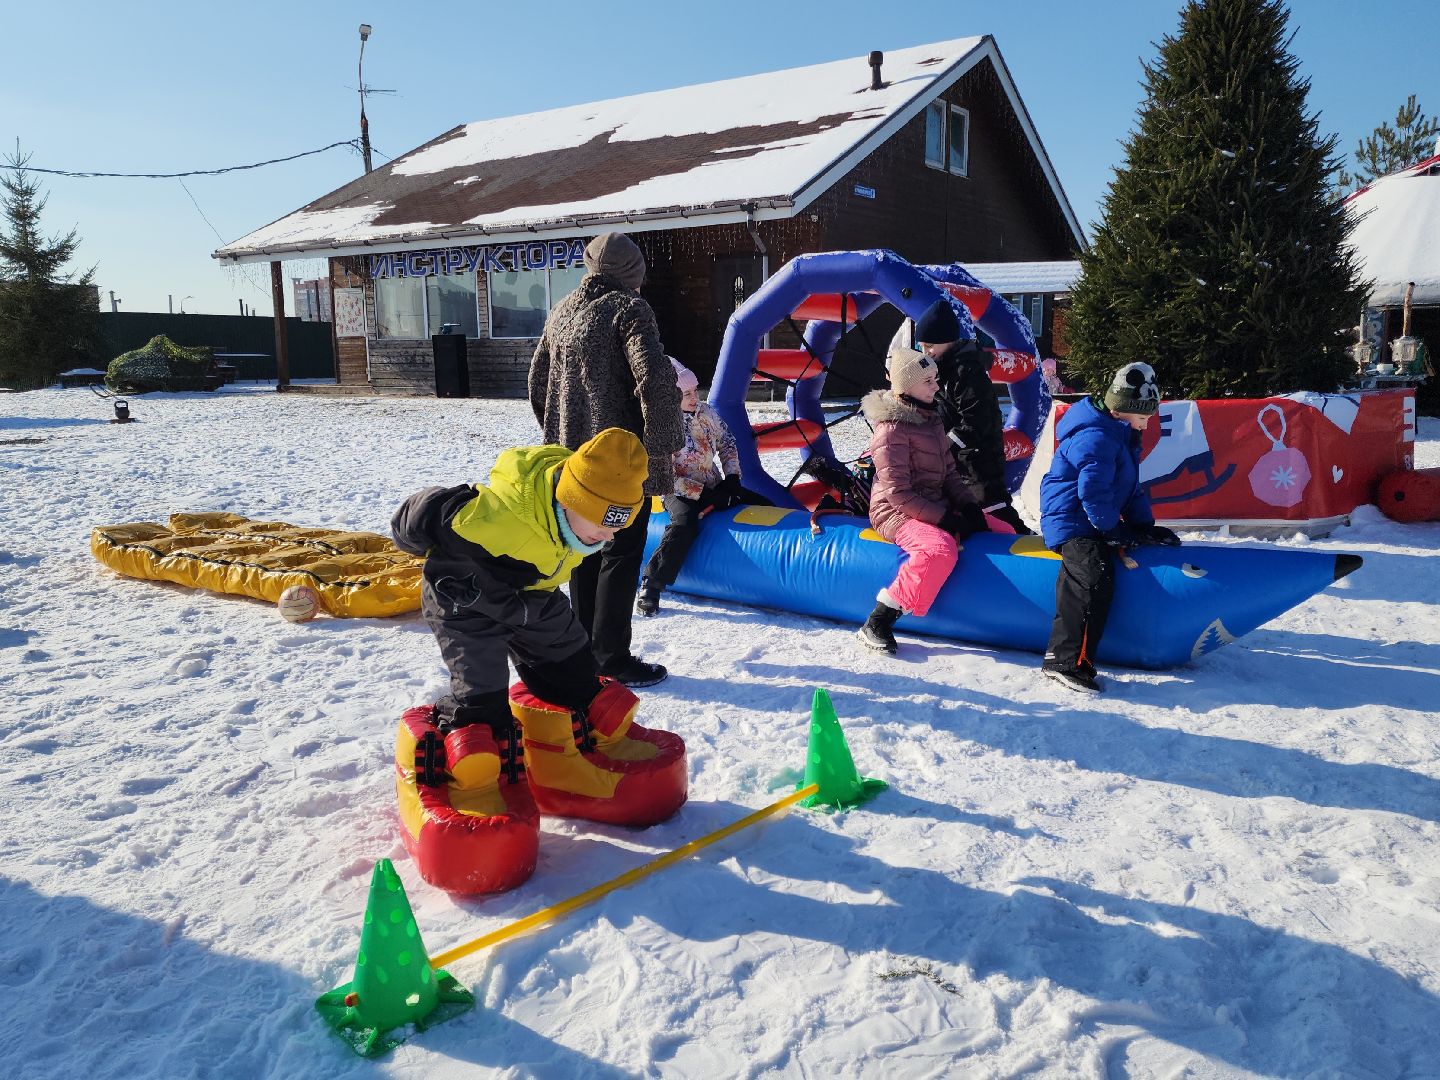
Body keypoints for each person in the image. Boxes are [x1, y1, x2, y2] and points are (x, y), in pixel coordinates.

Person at [391, 427, 651, 737]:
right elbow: (423, 514)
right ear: (570, 501)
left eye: (616, 528)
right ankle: (473, 733)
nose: (608, 536)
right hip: (467, 600)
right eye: (602, 525)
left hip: (533, 598)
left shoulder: (579, 527)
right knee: (481, 686)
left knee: (573, 660)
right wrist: (415, 528)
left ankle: (583, 699)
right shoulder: (501, 514)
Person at [529, 232, 682, 687]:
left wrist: (558, 433)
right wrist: (660, 451)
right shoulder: (629, 309)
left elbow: (538, 382)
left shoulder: (562, 312)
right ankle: (610, 656)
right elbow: (655, 380)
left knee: (583, 548)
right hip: (620, 463)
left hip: (571, 461)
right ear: (632, 273)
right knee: (621, 549)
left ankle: (582, 648)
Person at [1038, 362, 1180, 694]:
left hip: (1092, 516)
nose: (1149, 423)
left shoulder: (1122, 434)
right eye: (1145, 415)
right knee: (1092, 575)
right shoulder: (1096, 437)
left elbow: (1129, 490)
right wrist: (1110, 529)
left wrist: (1144, 526)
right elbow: (1093, 492)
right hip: (1072, 519)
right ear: (1125, 409)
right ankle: (1063, 660)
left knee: (1106, 564)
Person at [857, 345, 988, 655]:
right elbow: (898, 493)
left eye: (935, 379)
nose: (937, 386)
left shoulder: (931, 421)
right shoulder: (890, 432)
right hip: (894, 511)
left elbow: (950, 475)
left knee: (1001, 530)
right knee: (938, 549)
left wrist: (969, 506)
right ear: (906, 386)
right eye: (928, 381)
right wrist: (944, 519)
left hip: (930, 502)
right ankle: (879, 620)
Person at [637, 358, 771, 617]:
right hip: (676, 490)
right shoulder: (661, 426)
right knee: (685, 523)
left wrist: (732, 478)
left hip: (715, 483)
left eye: (695, 390)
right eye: (685, 393)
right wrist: (703, 494)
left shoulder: (706, 412)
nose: (693, 397)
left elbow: (727, 442)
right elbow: (662, 472)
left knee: (763, 504)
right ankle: (652, 584)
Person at [913, 298, 1032, 534]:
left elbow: (976, 420)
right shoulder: (943, 369)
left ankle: (1025, 544)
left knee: (992, 507)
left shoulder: (967, 371)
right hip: (958, 458)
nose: (926, 352)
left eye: (930, 346)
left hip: (979, 457)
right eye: (923, 347)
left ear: (947, 340)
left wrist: (945, 444)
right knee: (967, 507)